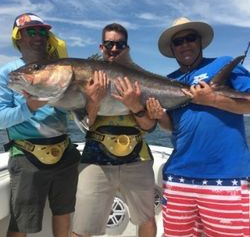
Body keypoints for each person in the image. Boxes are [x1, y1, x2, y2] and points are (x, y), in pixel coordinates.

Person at [146, 17, 250, 237]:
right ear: (172, 49)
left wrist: (212, 100)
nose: (185, 44)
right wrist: (159, 117)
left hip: (225, 178)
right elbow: (174, 126)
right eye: (178, 41)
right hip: (178, 178)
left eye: (190, 38)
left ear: (200, 41)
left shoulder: (222, 64)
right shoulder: (169, 80)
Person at [71, 23, 157, 237]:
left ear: (126, 48)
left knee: (147, 219)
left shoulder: (138, 78)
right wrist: (93, 101)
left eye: (120, 44)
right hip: (96, 156)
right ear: (101, 47)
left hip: (137, 156)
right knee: (81, 228)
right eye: (110, 44)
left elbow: (150, 126)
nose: (115, 48)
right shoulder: (86, 76)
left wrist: (135, 105)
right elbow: (86, 126)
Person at [0, 13, 81, 237]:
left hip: (64, 151)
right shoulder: (8, 73)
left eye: (43, 31)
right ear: (18, 38)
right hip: (27, 156)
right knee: (21, 222)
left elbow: (67, 108)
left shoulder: (59, 68)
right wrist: (30, 107)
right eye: (31, 31)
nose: (39, 36)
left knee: (64, 212)